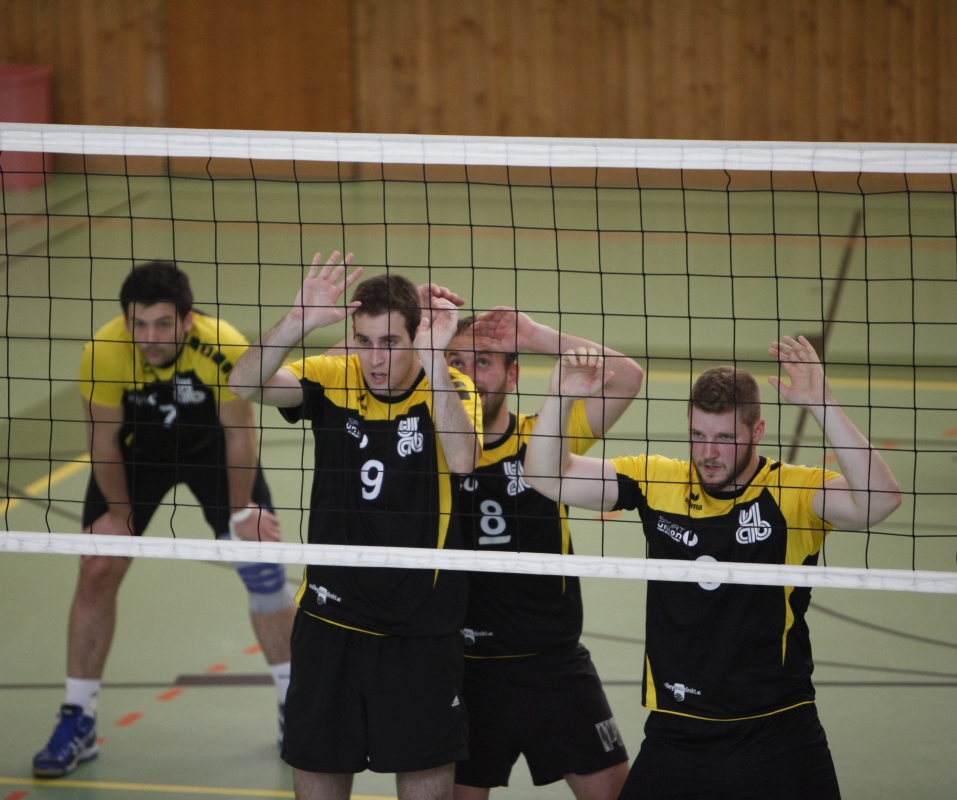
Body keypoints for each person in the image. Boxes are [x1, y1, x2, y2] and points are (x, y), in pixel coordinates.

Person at [525, 337, 902, 800]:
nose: (708, 452)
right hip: (679, 730)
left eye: (725, 438)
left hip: (778, 729)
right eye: (698, 435)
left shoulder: (791, 493)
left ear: (757, 431)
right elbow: (546, 476)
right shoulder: (658, 481)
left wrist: (822, 403)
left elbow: (879, 501)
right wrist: (561, 398)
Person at [230, 251, 482, 800]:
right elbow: (244, 386)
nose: (374, 358)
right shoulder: (334, 376)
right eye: (364, 341)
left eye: (390, 342)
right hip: (330, 619)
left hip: (420, 627)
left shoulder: (453, 387)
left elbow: (464, 460)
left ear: (417, 337)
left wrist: (435, 359)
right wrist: (296, 321)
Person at [32, 261, 297, 778]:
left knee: (261, 564)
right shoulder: (104, 352)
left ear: (187, 321)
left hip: (211, 449)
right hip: (138, 455)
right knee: (97, 568)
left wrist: (243, 513)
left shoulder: (223, 344)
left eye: (161, 324)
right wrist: (118, 516)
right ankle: (78, 717)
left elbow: (239, 433)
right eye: (138, 323)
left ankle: (296, 705)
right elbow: (103, 440)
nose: (149, 337)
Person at [442, 308, 644, 800]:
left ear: (512, 376)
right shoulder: (432, 450)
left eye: (483, 361)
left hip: (553, 664)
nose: (468, 375)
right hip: (465, 668)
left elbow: (627, 378)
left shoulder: (546, 437)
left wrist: (536, 336)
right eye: (455, 362)